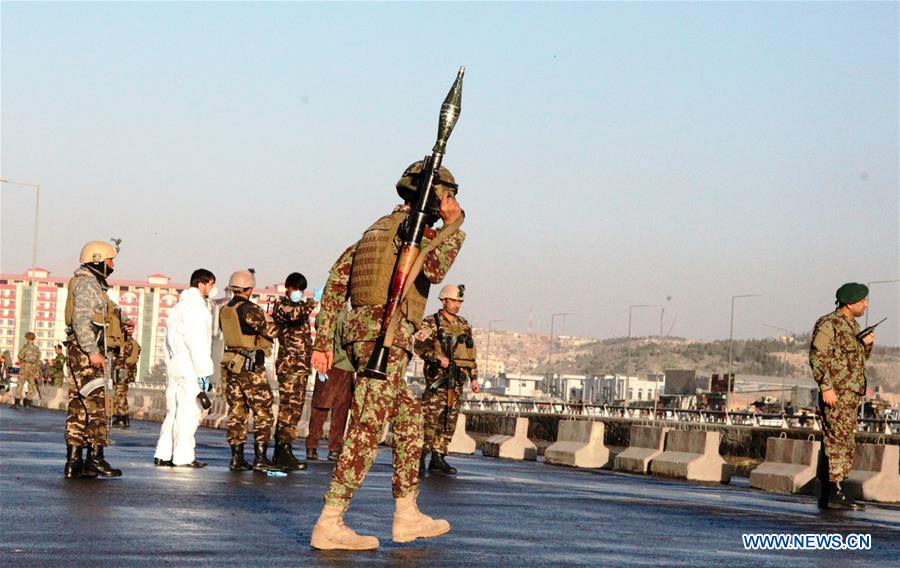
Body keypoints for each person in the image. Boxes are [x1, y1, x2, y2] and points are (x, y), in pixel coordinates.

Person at [309, 160, 465, 550]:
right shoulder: (416, 234)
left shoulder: (374, 232)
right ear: (435, 198)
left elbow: (334, 285)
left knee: (409, 417)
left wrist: (324, 341)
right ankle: (330, 520)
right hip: (386, 337)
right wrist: (455, 225)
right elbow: (434, 267)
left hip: (365, 335)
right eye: (448, 197)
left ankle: (406, 514)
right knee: (366, 425)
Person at [63, 240, 134, 479]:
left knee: (79, 407)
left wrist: (124, 322)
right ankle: (95, 457)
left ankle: (74, 462)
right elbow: (81, 320)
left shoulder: (93, 284)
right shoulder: (87, 284)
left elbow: (108, 311)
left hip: (80, 349)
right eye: (109, 261)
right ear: (97, 260)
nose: (112, 265)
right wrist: (92, 351)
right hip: (86, 351)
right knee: (97, 404)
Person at [809, 282, 874, 510]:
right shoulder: (830, 324)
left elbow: (853, 362)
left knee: (843, 440)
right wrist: (826, 387)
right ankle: (834, 492)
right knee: (837, 440)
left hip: (850, 395)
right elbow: (818, 356)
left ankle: (831, 489)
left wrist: (866, 346)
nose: (866, 305)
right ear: (849, 302)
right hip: (836, 394)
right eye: (863, 300)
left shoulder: (853, 326)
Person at [219, 269, 282, 472]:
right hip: (250, 365)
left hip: (231, 363)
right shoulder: (249, 309)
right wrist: (273, 319)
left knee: (237, 411)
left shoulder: (224, 309)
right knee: (263, 411)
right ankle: (261, 457)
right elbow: (271, 331)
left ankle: (236, 457)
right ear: (249, 288)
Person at [414, 284, 479, 475]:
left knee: (448, 421)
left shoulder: (464, 325)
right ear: (444, 300)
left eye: (459, 301)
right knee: (429, 421)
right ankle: (420, 458)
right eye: (453, 301)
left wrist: (474, 378)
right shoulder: (431, 322)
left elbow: (470, 354)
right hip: (438, 380)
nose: (457, 305)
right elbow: (419, 346)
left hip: (456, 381)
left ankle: (439, 456)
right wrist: (437, 358)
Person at [154, 269, 216, 468]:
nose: (212, 289)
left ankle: (163, 453)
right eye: (211, 284)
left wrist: (170, 364)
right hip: (191, 366)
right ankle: (183, 457)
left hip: (175, 364)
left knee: (172, 412)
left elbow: (166, 342)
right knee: (189, 413)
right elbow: (198, 344)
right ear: (202, 284)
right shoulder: (198, 310)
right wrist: (205, 374)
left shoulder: (177, 308)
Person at [271, 272, 316, 471]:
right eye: (295, 289)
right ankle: (283, 449)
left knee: (295, 409)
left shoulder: (299, 308)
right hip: (289, 366)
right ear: (288, 288)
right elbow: (293, 317)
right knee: (288, 408)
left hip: (301, 367)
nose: (298, 293)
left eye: (301, 290)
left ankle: (283, 449)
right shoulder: (283, 306)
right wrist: (312, 303)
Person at [306, 308, 355, 462]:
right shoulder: (347, 317)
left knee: (319, 408)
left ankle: (312, 446)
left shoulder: (323, 315)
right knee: (340, 412)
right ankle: (334, 448)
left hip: (324, 365)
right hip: (344, 367)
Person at [111, 335, 141, 428]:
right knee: (119, 393)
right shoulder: (120, 341)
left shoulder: (132, 343)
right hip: (118, 371)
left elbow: (132, 360)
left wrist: (118, 361)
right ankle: (123, 416)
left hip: (123, 372)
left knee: (120, 393)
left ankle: (121, 417)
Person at [12, 332, 41, 408]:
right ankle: (27, 401)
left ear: (27, 339)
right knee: (31, 385)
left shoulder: (25, 347)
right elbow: (38, 361)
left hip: (24, 366)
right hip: (33, 368)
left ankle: (17, 402)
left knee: (20, 383)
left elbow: (20, 356)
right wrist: (37, 371)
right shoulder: (37, 349)